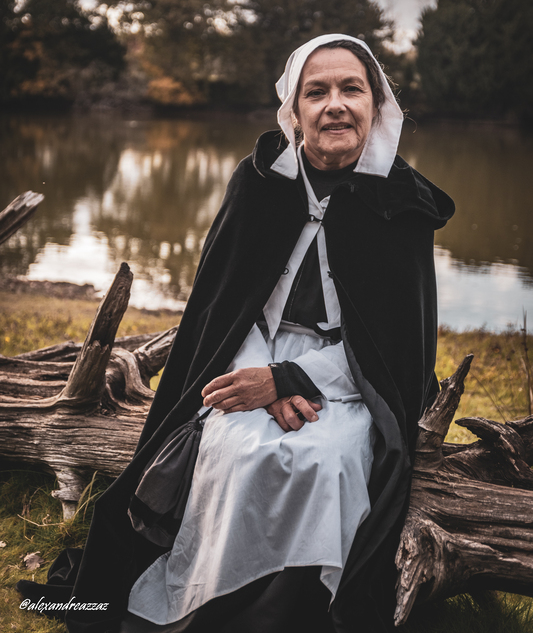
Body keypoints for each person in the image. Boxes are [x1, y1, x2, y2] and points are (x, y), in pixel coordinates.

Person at [20, 33, 454, 633]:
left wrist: (292, 378)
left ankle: (290, 616)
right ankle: (207, 607)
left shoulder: (402, 204)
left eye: (351, 89)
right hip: (248, 358)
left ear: (375, 106)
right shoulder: (258, 185)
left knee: (327, 460)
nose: (335, 105)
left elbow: (395, 346)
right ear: (294, 110)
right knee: (236, 450)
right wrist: (260, 379)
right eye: (317, 92)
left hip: (351, 379)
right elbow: (225, 311)